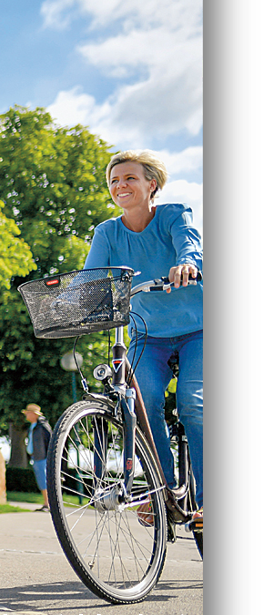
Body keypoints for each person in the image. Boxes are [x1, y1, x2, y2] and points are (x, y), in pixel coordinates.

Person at [82, 150, 203, 523]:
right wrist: (80, 299)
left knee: (193, 405)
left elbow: (189, 245)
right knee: (140, 402)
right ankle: (160, 490)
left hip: (198, 329)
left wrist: (188, 264)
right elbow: (91, 279)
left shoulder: (173, 214)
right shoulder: (107, 232)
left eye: (130, 178)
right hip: (147, 335)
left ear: (152, 184)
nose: (121, 186)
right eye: (114, 181)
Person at [23, 403, 52, 511]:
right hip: (36, 457)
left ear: (33, 414)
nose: (26, 415)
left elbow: (50, 441)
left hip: (42, 458)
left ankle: (48, 503)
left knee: (44, 480)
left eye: (28, 413)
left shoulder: (42, 427)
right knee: (41, 480)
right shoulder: (34, 426)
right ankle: (46, 503)